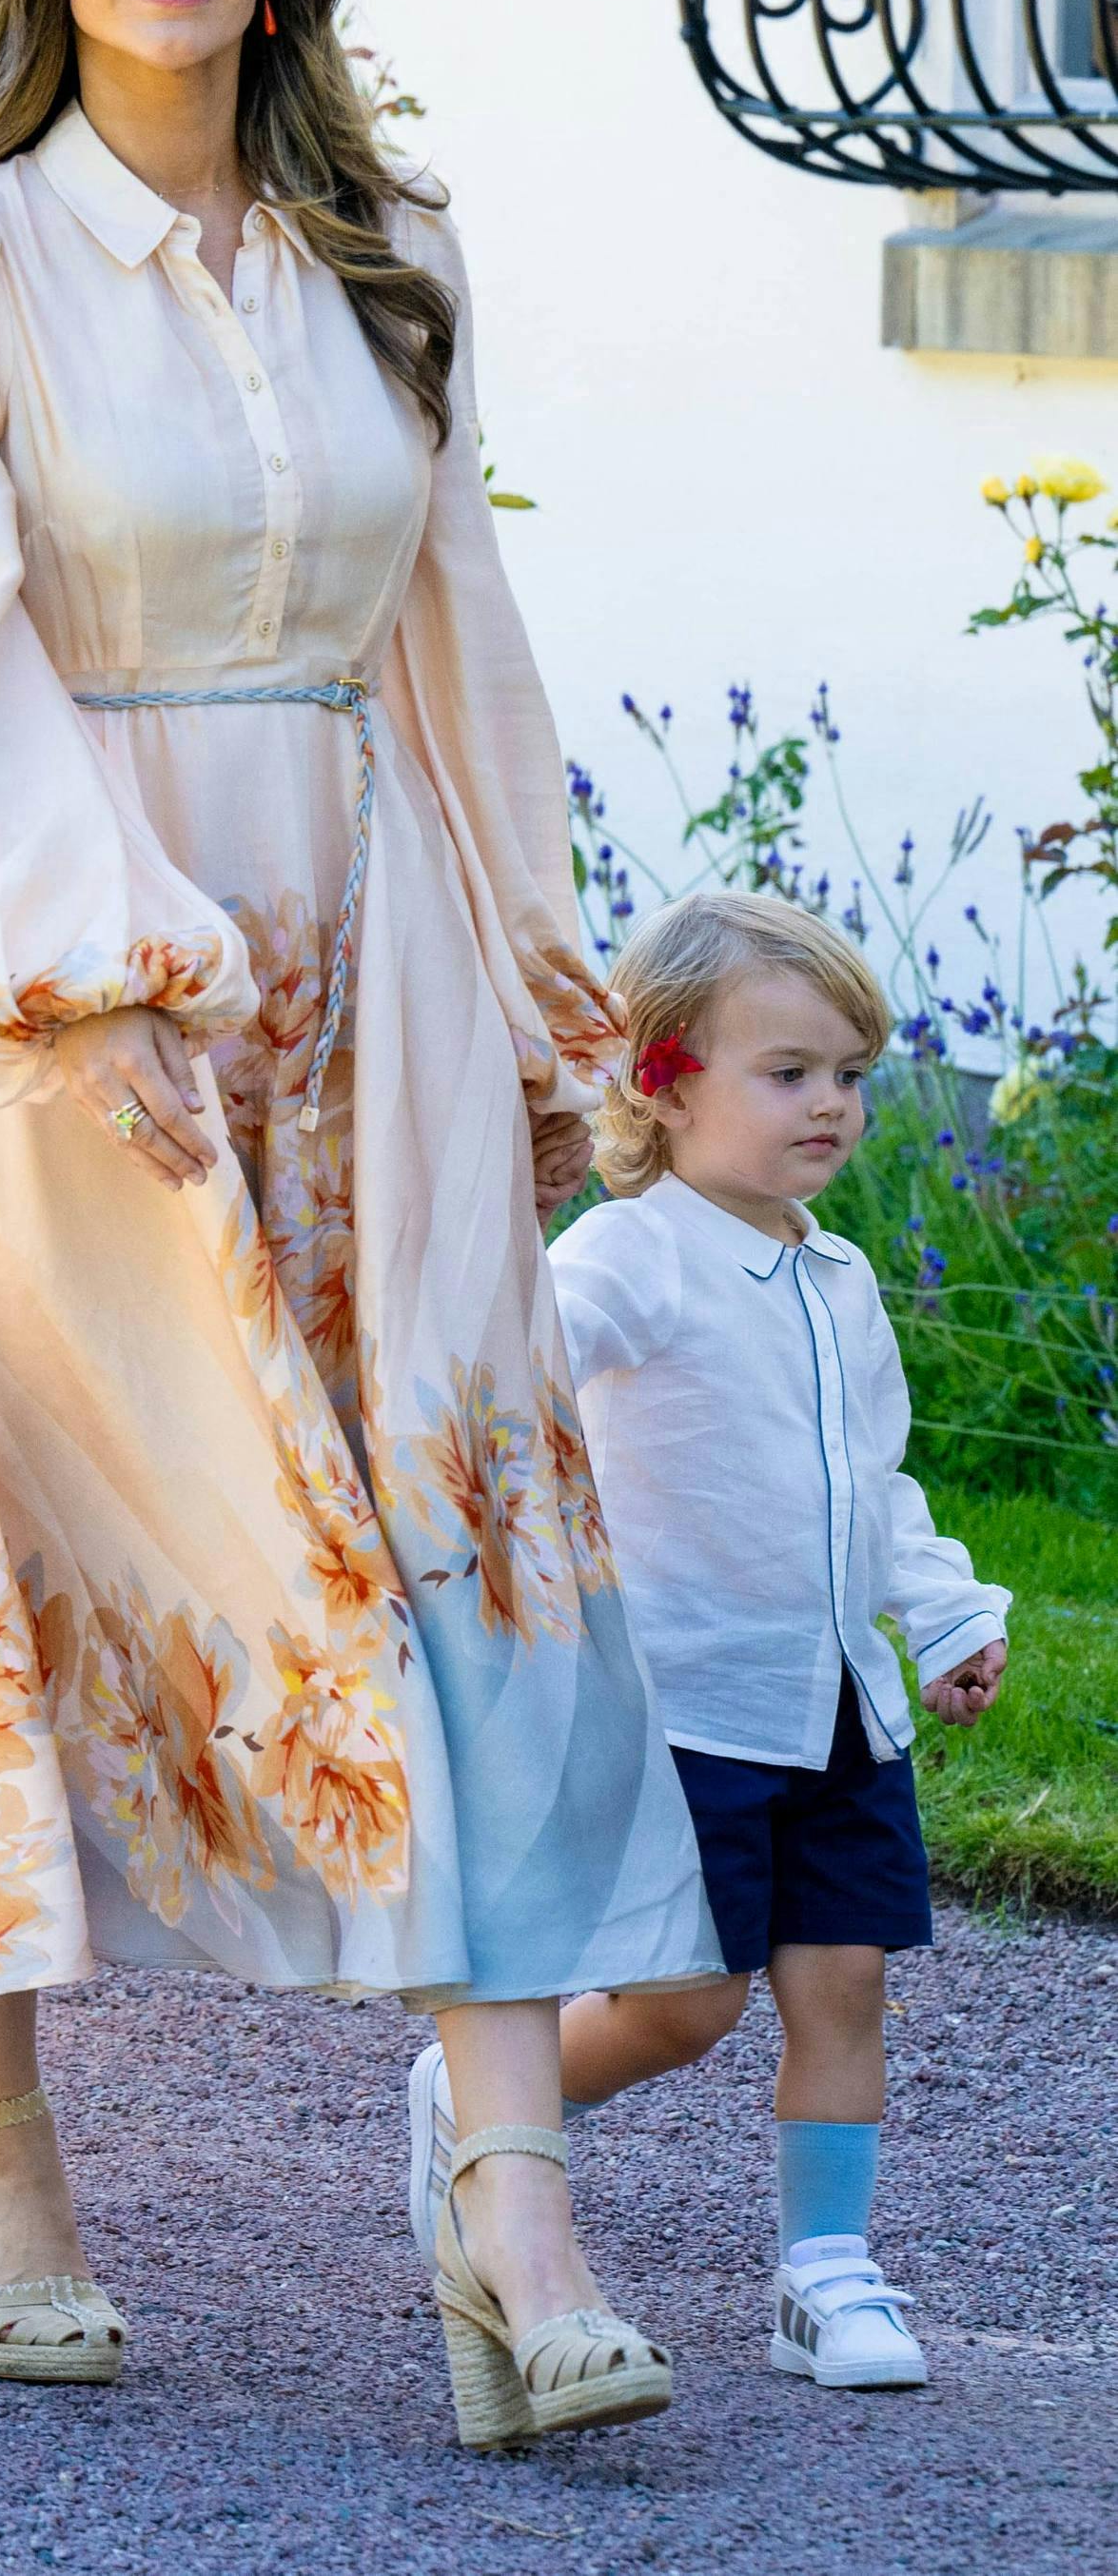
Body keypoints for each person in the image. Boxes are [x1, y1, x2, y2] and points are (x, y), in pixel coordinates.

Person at [0, 0, 721, 2446]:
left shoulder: (373, 238)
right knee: (39, 1532)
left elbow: (461, 639)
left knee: (455, 1512)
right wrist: (89, 963)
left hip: (371, 961)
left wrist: (545, 1000)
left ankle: (509, 2208)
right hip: (80, 990)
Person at [538, 891, 1010, 2394]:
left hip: (840, 1711)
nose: (835, 1105)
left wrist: (941, 1613)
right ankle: (485, 2107)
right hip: (694, 1709)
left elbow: (876, 1480)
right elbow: (523, 1357)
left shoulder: (842, 1278)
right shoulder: (634, 1253)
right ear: (665, 1081)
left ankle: (827, 2271)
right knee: (685, 2004)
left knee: (844, 1988)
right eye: (789, 1071)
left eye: (852, 1074)